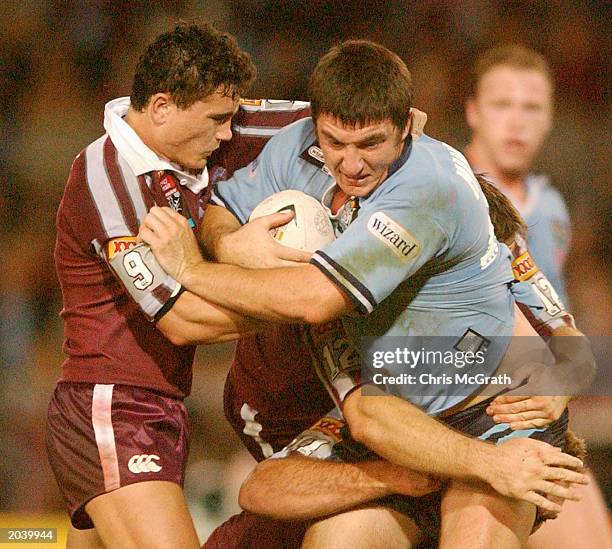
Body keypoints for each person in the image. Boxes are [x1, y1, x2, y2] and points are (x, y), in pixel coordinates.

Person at [140, 40, 588, 548]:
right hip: (383, 423)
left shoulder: (435, 194)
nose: (351, 164)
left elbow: (566, 335)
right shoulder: (298, 151)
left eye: (371, 144)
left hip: (485, 415)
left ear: (407, 126)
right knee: (333, 536)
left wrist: (191, 269)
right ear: (318, 128)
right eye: (335, 143)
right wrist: (229, 242)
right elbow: (226, 205)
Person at [45, 22, 262, 549]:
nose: (229, 134)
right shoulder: (108, 174)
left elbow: (306, 118)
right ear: (161, 107)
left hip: (157, 410)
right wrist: (309, 306)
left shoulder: (194, 144)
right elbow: (182, 319)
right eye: (217, 120)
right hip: (112, 408)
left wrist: (394, 121)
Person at [463, 44, 611, 549]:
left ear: (550, 119)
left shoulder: (551, 209)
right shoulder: (443, 192)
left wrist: (561, 382)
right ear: (473, 112)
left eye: (532, 108)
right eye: (502, 105)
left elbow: (557, 326)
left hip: (540, 420)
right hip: (465, 419)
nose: (517, 123)